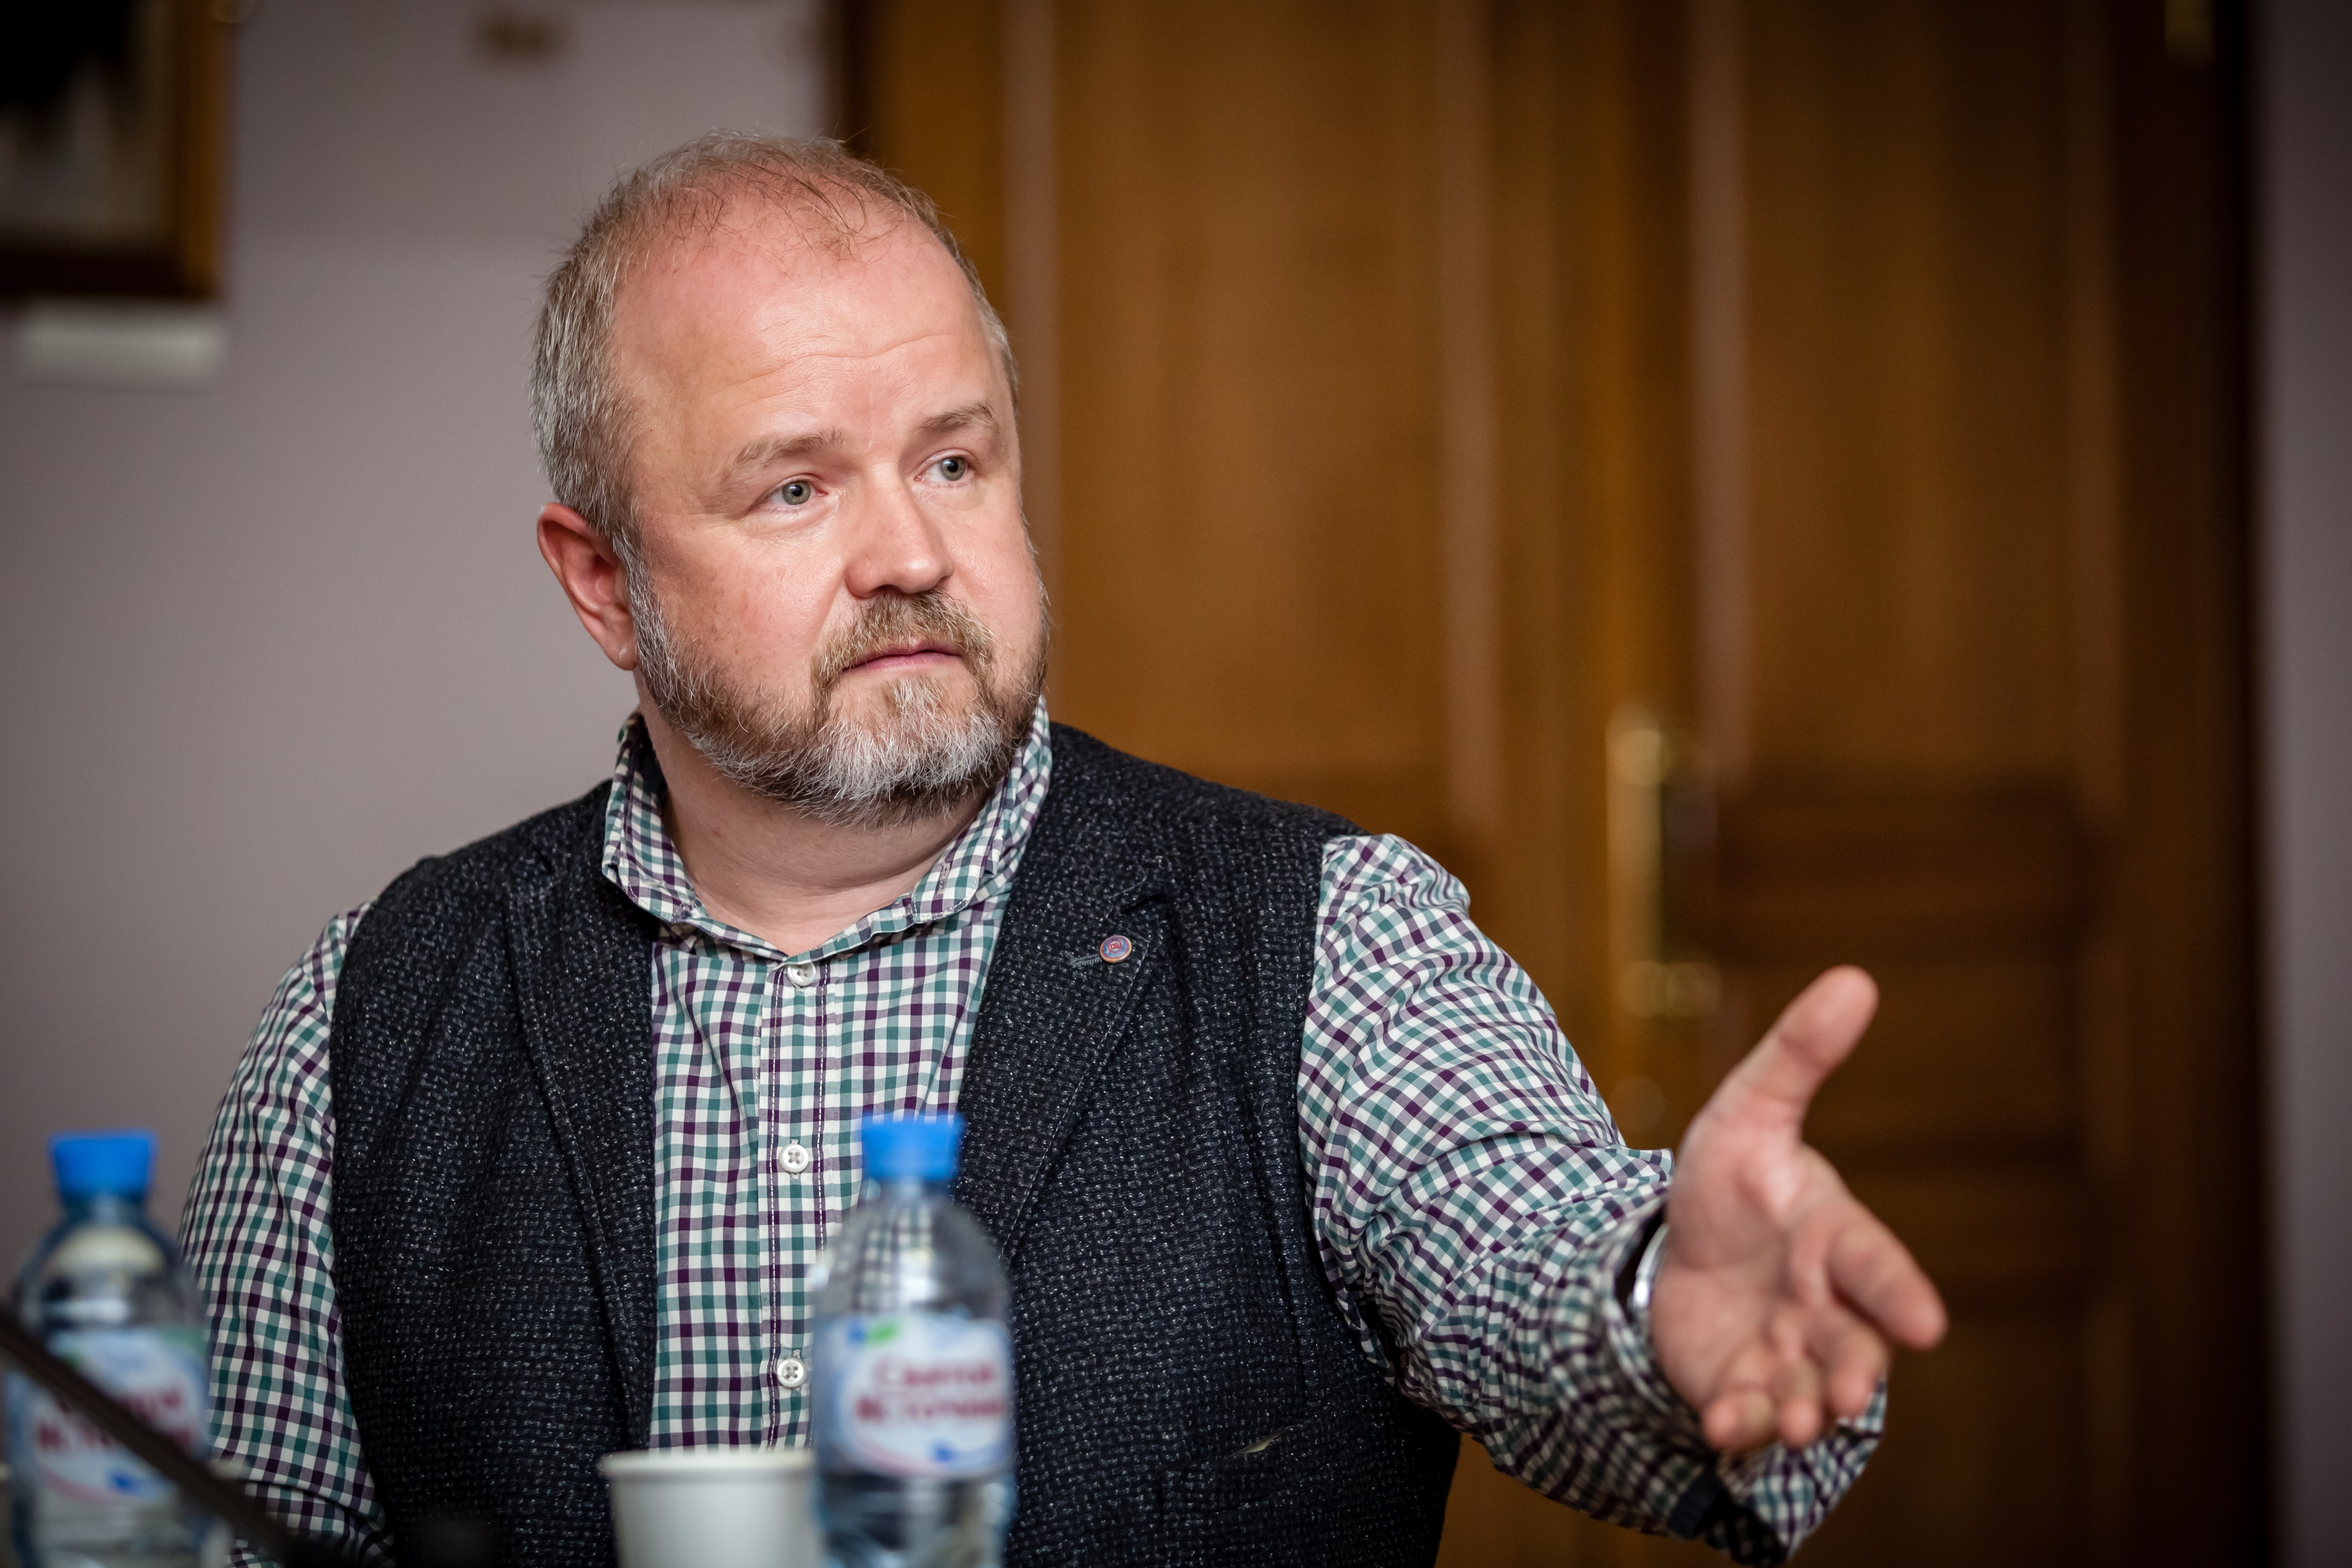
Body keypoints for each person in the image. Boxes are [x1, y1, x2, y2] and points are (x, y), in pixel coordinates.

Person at [181, 133, 1944, 1568]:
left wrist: (1657, 1307)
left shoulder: (1329, 935)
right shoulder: (370, 1016)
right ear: (602, 584)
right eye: (795, 486)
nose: (909, 552)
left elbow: (1520, 1238)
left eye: (954, 461)